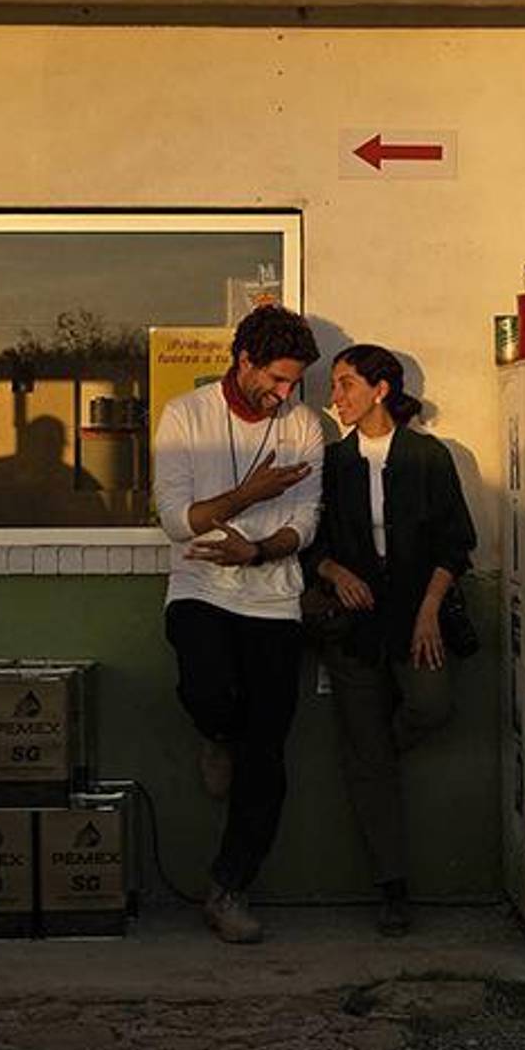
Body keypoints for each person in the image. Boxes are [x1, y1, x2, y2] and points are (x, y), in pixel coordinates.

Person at [151, 304, 325, 944]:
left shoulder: (303, 424)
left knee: (266, 755)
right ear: (243, 359)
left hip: (273, 598)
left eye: (293, 383)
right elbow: (176, 520)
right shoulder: (185, 416)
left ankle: (229, 888)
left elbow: (306, 520)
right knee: (208, 691)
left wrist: (256, 550)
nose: (283, 394)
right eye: (276, 379)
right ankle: (215, 732)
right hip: (199, 586)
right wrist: (247, 496)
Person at [305, 344, 477, 936]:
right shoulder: (333, 461)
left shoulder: (428, 456)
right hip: (352, 626)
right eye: (334, 385)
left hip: (414, 614)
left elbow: (456, 543)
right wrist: (336, 572)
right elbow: (310, 540)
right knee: (367, 762)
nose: (336, 397)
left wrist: (429, 612)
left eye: (346, 384)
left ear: (381, 390)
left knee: (431, 705)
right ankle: (392, 888)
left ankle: (375, 755)